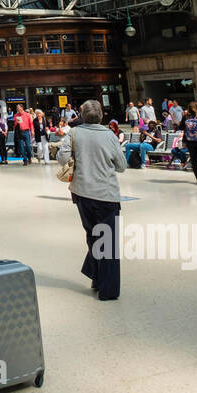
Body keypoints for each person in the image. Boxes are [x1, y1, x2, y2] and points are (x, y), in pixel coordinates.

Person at [60, 100, 127, 301]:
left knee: (93, 236)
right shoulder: (109, 135)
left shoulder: (74, 133)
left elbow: (62, 158)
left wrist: (79, 160)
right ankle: (108, 290)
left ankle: (97, 277)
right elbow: (122, 165)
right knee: (108, 241)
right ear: (101, 116)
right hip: (106, 194)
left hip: (81, 193)